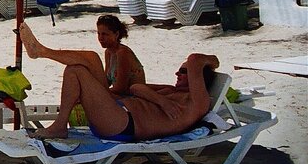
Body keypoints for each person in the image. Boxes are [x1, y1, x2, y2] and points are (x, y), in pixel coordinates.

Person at [30, 52, 220, 141]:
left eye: (183, 72)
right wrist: (161, 101)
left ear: (198, 79)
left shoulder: (196, 103)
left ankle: (59, 126)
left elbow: (195, 59)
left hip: (122, 125)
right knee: (91, 58)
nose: (177, 74)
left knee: (76, 72)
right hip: (116, 112)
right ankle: (41, 51)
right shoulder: (170, 92)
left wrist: (211, 63)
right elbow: (136, 87)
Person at [19, 17, 145, 96]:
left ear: (116, 34)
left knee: (92, 57)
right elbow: (106, 81)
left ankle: (42, 51)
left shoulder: (123, 53)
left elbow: (120, 88)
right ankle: (41, 51)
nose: (100, 38)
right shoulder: (109, 52)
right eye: (99, 34)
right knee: (76, 68)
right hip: (118, 96)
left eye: (105, 34)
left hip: (130, 100)